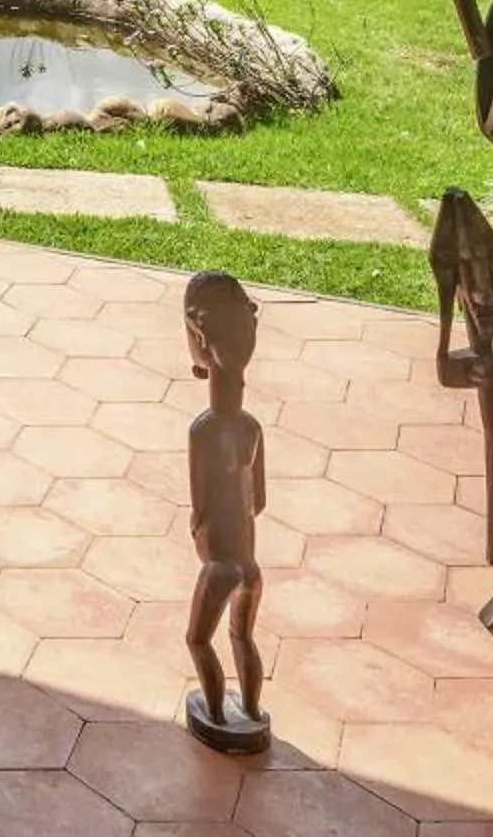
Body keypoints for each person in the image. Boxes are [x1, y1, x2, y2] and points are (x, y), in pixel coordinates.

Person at [182, 269, 271, 752]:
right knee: (242, 637)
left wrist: (201, 528)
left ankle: (216, 713)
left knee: (199, 639)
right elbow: (259, 499)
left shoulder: (203, 430)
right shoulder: (251, 427)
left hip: (218, 566)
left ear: (200, 338)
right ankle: (252, 711)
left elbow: (199, 506)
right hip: (251, 567)